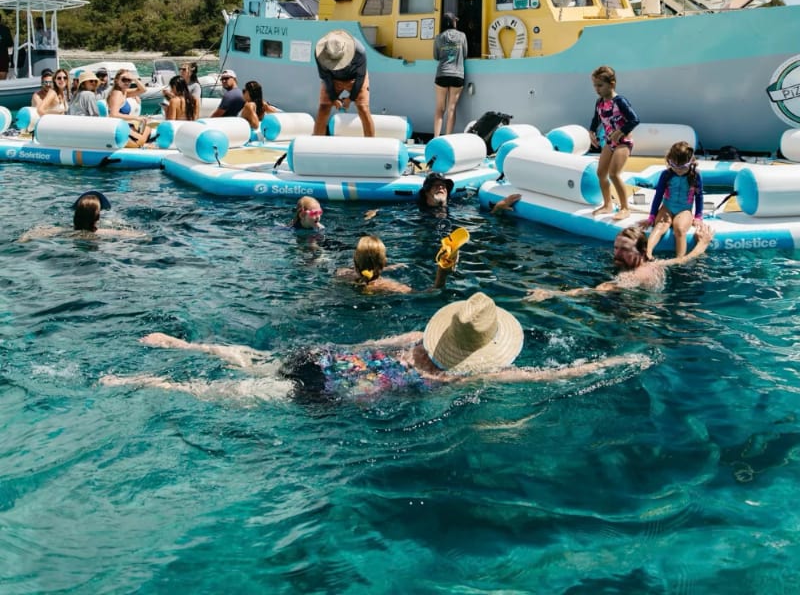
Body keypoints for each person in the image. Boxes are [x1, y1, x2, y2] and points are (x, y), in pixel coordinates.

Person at [100, 293, 650, 403]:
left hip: (331, 357)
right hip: (337, 388)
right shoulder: (455, 378)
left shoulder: (415, 337)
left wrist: (340, 347)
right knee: (237, 394)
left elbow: (365, 340)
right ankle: (153, 382)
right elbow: (540, 378)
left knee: (251, 358)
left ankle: (180, 345)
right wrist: (611, 363)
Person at [525, 221, 714, 301]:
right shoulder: (654, 264)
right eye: (616, 247)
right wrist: (703, 243)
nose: (616, 253)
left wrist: (551, 294)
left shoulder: (635, 275)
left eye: (624, 250)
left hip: (638, 321)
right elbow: (684, 260)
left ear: (641, 252)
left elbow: (600, 289)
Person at [589, 64, 639, 220]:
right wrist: (591, 131)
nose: (597, 89)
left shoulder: (620, 101)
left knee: (614, 174)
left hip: (624, 142)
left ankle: (625, 208)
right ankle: (607, 205)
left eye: (600, 85)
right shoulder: (599, 102)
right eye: (595, 85)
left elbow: (634, 119)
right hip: (609, 142)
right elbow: (596, 119)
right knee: (600, 173)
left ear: (612, 84)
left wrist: (621, 131)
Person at [644, 141, 704, 259]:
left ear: (691, 162)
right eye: (674, 165)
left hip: (684, 210)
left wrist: (698, 216)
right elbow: (658, 195)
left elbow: (699, 196)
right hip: (667, 207)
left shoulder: (695, 176)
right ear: (669, 161)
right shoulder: (666, 174)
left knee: (680, 229)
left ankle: (679, 259)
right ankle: (647, 253)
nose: (678, 170)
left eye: (682, 167)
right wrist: (652, 216)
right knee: (660, 225)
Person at [313, 30, 374, 138]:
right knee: (323, 107)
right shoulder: (319, 52)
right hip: (332, 79)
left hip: (355, 78)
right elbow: (325, 76)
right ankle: (316, 143)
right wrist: (333, 98)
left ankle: (371, 144)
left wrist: (351, 98)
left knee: (363, 108)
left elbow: (361, 77)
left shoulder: (360, 51)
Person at [20, 191, 147, 242]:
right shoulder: (106, 232)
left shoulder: (60, 230)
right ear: (97, 218)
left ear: (76, 214)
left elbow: (29, 235)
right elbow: (143, 236)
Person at [335, 235, 413, 294]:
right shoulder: (389, 286)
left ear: (355, 260)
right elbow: (419, 293)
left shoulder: (342, 273)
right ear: (383, 262)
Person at [433, 12, 469, 136]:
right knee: (451, 109)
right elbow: (465, 54)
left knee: (440, 108)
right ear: (453, 22)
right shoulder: (462, 36)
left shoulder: (438, 37)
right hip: (457, 74)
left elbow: (436, 56)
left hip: (442, 74)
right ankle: (447, 137)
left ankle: (436, 138)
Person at [107, 71, 151, 145]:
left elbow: (143, 90)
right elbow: (113, 114)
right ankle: (142, 144)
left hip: (125, 125)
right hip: (118, 128)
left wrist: (134, 79)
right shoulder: (117, 93)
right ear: (116, 80)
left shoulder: (124, 92)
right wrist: (136, 118)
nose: (127, 82)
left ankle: (141, 143)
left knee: (148, 129)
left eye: (129, 80)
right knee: (142, 140)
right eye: (124, 79)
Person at [0, 12, 13, 79]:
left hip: (3, 58)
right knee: (2, 82)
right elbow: (10, 43)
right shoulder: (6, 29)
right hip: (3, 58)